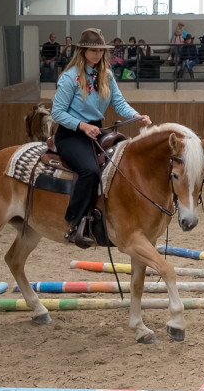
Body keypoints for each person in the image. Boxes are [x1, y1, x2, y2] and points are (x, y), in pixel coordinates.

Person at [50, 28, 151, 248]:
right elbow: (56, 112)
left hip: (96, 132)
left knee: (119, 167)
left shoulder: (106, 75)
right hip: (71, 134)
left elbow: (119, 102)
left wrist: (136, 115)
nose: (97, 54)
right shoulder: (70, 78)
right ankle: (74, 222)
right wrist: (82, 126)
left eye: (100, 50)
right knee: (90, 170)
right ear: (83, 50)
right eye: (92, 50)